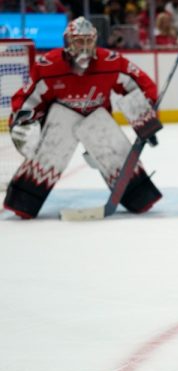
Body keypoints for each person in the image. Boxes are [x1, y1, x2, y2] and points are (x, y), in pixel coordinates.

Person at [3, 17, 162, 219]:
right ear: (68, 42)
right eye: (79, 41)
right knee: (59, 128)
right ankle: (23, 201)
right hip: (58, 126)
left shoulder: (111, 61)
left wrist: (145, 118)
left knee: (105, 133)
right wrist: (22, 123)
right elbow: (27, 100)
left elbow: (139, 85)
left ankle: (138, 196)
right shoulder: (49, 65)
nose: (85, 46)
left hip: (97, 125)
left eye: (89, 40)